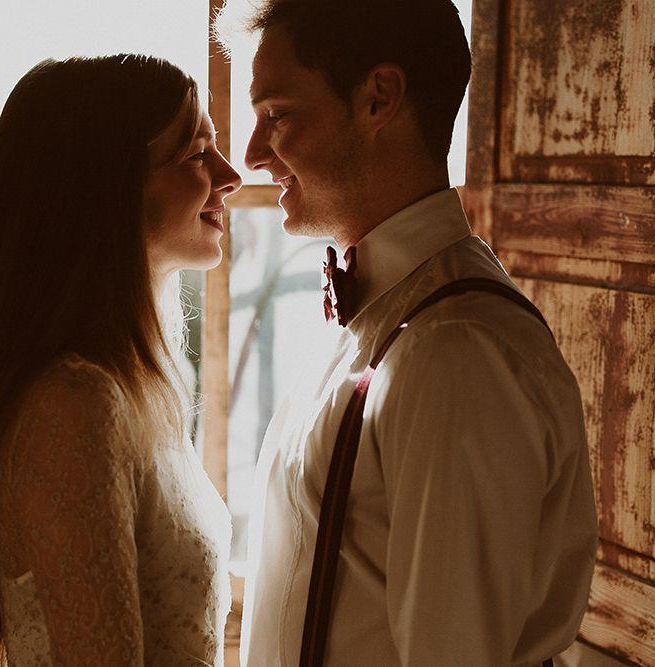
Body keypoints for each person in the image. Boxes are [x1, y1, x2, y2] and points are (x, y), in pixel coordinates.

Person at [218, 1, 599, 665]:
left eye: (276, 114)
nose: (252, 155)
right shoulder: (376, 313)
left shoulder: (454, 353)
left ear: (379, 98)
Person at [0, 55, 241, 665]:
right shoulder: (73, 405)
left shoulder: (141, 384)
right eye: (197, 154)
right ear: (107, 189)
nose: (229, 176)